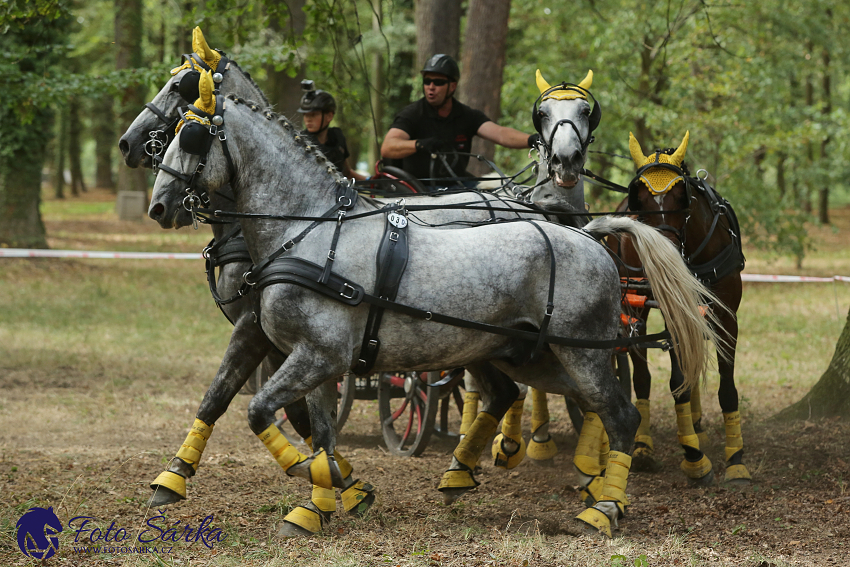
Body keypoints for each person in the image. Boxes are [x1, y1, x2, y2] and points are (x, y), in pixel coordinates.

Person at [380, 54, 538, 183]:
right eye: (427, 81)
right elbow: (388, 147)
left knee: (501, 191)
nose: (431, 87)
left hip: (457, 186)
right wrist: (419, 144)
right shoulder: (412, 113)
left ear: (453, 86)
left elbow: (500, 133)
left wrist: (532, 140)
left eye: (439, 82)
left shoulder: (466, 115)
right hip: (417, 190)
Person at [298, 81, 366, 181]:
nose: (308, 119)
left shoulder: (337, 137)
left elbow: (347, 172)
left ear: (329, 116)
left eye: (313, 114)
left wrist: (370, 181)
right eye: (305, 114)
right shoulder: (300, 143)